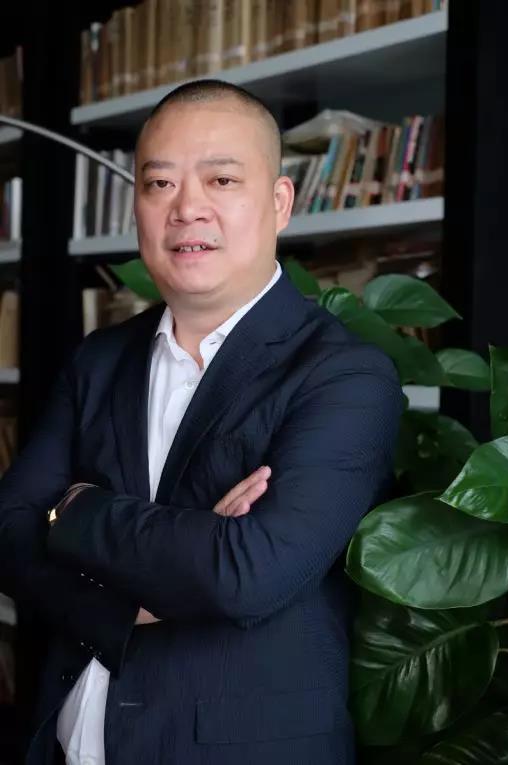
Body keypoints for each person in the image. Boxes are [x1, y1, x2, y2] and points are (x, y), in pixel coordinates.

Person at [0, 79, 403, 765]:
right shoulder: (98, 359)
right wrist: (133, 601)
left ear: (279, 203)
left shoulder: (344, 376)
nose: (187, 208)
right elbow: (10, 529)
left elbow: (244, 573)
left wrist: (74, 509)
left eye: (221, 180)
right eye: (159, 183)